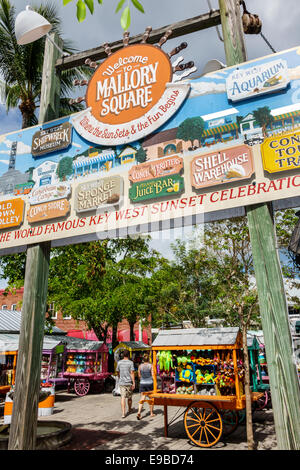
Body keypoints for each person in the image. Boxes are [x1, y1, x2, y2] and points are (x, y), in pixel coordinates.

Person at [116, 349, 135, 418]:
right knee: (129, 397)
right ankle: (129, 409)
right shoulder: (131, 363)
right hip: (129, 382)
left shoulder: (119, 363)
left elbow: (117, 371)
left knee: (122, 397)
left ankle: (123, 413)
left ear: (123, 355)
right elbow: (132, 373)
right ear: (129, 355)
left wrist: (119, 377)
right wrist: (133, 383)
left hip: (122, 382)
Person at [136, 353, 155, 420]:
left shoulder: (140, 366)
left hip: (142, 383)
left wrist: (142, 379)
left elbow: (139, 375)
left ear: (143, 359)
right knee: (151, 398)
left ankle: (139, 412)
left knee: (142, 398)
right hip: (150, 383)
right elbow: (153, 375)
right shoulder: (151, 366)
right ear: (148, 359)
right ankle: (151, 413)